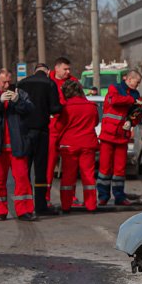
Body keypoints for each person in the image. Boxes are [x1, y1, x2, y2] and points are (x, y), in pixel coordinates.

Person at [0, 69, 36, 220]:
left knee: (22, 178)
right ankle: (0, 211)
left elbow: (31, 110)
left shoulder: (20, 93)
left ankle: (24, 210)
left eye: (8, 82)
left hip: (17, 144)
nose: (6, 85)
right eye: (3, 82)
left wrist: (18, 101)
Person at [17, 62, 63, 214]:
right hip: (42, 131)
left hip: (24, 131)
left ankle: (25, 206)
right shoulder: (50, 84)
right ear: (48, 71)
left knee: (25, 169)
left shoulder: (22, 83)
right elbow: (55, 108)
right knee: (40, 170)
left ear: (34, 71)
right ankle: (41, 206)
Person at [97, 70, 142, 206]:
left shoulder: (135, 94)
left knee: (120, 170)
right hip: (108, 134)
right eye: (137, 82)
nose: (138, 85)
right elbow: (114, 101)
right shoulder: (115, 88)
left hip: (122, 136)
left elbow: (137, 113)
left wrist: (133, 121)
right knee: (105, 169)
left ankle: (119, 196)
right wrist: (131, 100)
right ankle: (103, 196)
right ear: (129, 79)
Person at [55, 78, 99, 212]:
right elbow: (96, 122)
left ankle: (66, 205)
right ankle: (91, 205)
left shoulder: (66, 108)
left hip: (69, 145)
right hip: (87, 144)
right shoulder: (91, 106)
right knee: (88, 175)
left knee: (68, 176)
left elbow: (59, 126)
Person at [46, 56, 72, 206]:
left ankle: (70, 198)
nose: (68, 72)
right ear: (56, 68)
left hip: (67, 130)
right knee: (49, 167)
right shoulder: (48, 84)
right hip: (52, 130)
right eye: (65, 69)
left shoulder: (72, 83)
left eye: (69, 69)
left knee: (70, 168)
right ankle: (46, 197)